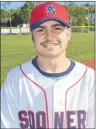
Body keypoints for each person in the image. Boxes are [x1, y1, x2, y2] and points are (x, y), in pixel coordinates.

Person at [1, 2, 95, 128]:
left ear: (69, 33)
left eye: (57, 28)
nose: (49, 36)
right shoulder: (15, 80)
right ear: (31, 35)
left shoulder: (90, 79)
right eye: (40, 29)